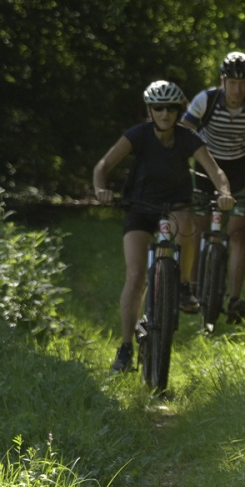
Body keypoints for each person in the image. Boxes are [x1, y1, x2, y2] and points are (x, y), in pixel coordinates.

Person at [93, 81, 235, 373]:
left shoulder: (187, 138)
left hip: (175, 206)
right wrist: (100, 189)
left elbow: (215, 171)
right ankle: (125, 347)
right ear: (150, 110)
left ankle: (182, 286)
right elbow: (103, 166)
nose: (165, 114)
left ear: (178, 110)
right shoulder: (138, 135)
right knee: (134, 277)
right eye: (159, 108)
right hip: (140, 208)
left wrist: (224, 192)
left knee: (188, 225)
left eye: (171, 108)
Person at [181, 51, 245, 324]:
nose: (238, 89)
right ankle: (191, 286)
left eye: (244, 82)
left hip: (239, 171)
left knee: (237, 233)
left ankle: (235, 299)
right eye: (233, 82)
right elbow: (181, 134)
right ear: (223, 80)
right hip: (205, 169)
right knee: (199, 228)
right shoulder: (206, 100)